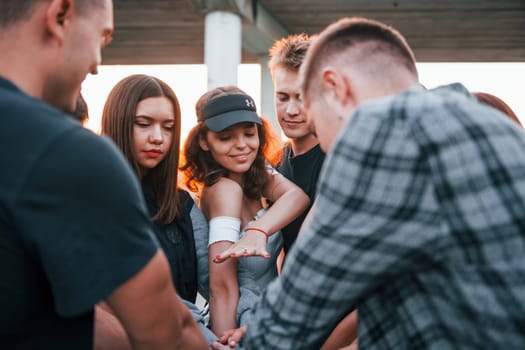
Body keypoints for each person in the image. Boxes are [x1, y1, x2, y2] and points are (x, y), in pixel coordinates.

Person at [217, 17, 525, 349]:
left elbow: (311, 288)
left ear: (335, 86)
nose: (323, 140)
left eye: (312, 108)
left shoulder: (380, 135)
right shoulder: (497, 127)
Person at [0, 0, 207, 348]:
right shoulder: (63, 152)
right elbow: (166, 335)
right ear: (60, 15)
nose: (97, 64)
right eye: (102, 37)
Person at [180, 85, 310, 337]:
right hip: (245, 321)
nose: (242, 145)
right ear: (204, 142)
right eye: (226, 137)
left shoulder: (254, 171)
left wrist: (258, 231)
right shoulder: (224, 189)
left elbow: (297, 197)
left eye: (249, 134)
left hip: (271, 313)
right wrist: (226, 342)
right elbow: (223, 288)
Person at [100, 74, 218, 345]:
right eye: (143, 124)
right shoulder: (92, 197)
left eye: (168, 127)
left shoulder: (183, 205)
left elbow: (214, 284)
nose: (158, 138)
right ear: (118, 122)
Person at [268, 33, 325, 264]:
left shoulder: (339, 161)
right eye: (282, 97)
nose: (290, 110)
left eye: (301, 98)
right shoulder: (275, 161)